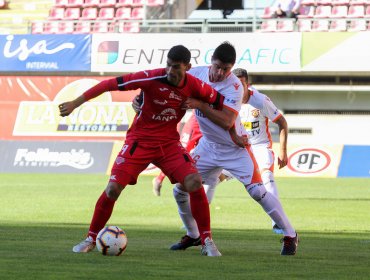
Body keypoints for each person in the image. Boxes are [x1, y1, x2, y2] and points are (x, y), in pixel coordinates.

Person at [58, 45, 223, 257]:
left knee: (194, 181)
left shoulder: (195, 85)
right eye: (169, 66)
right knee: (112, 190)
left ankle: (207, 241)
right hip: (140, 142)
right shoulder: (151, 78)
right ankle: (90, 238)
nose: (171, 71)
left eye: (177, 68)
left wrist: (200, 103)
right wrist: (74, 103)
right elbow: (109, 84)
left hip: (169, 145)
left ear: (188, 67)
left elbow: (220, 102)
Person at [137, 42, 298, 255]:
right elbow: (168, 80)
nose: (220, 73)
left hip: (234, 148)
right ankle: (193, 234)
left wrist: (200, 104)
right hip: (207, 147)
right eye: (217, 66)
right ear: (211, 61)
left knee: (258, 191)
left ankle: (290, 234)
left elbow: (227, 121)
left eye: (226, 69)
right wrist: (142, 97)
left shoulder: (235, 87)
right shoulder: (196, 73)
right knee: (180, 191)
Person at [204, 68, 289, 235]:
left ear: (247, 84)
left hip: (259, 146)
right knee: (211, 179)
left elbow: (282, 122)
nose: (237, 87)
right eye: (234, 83)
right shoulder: (225, 99)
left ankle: (278, 223)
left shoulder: (260, 100)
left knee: (266, 178)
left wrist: (283, 151)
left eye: (241, 83)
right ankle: (198, 223)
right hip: (236, 147)